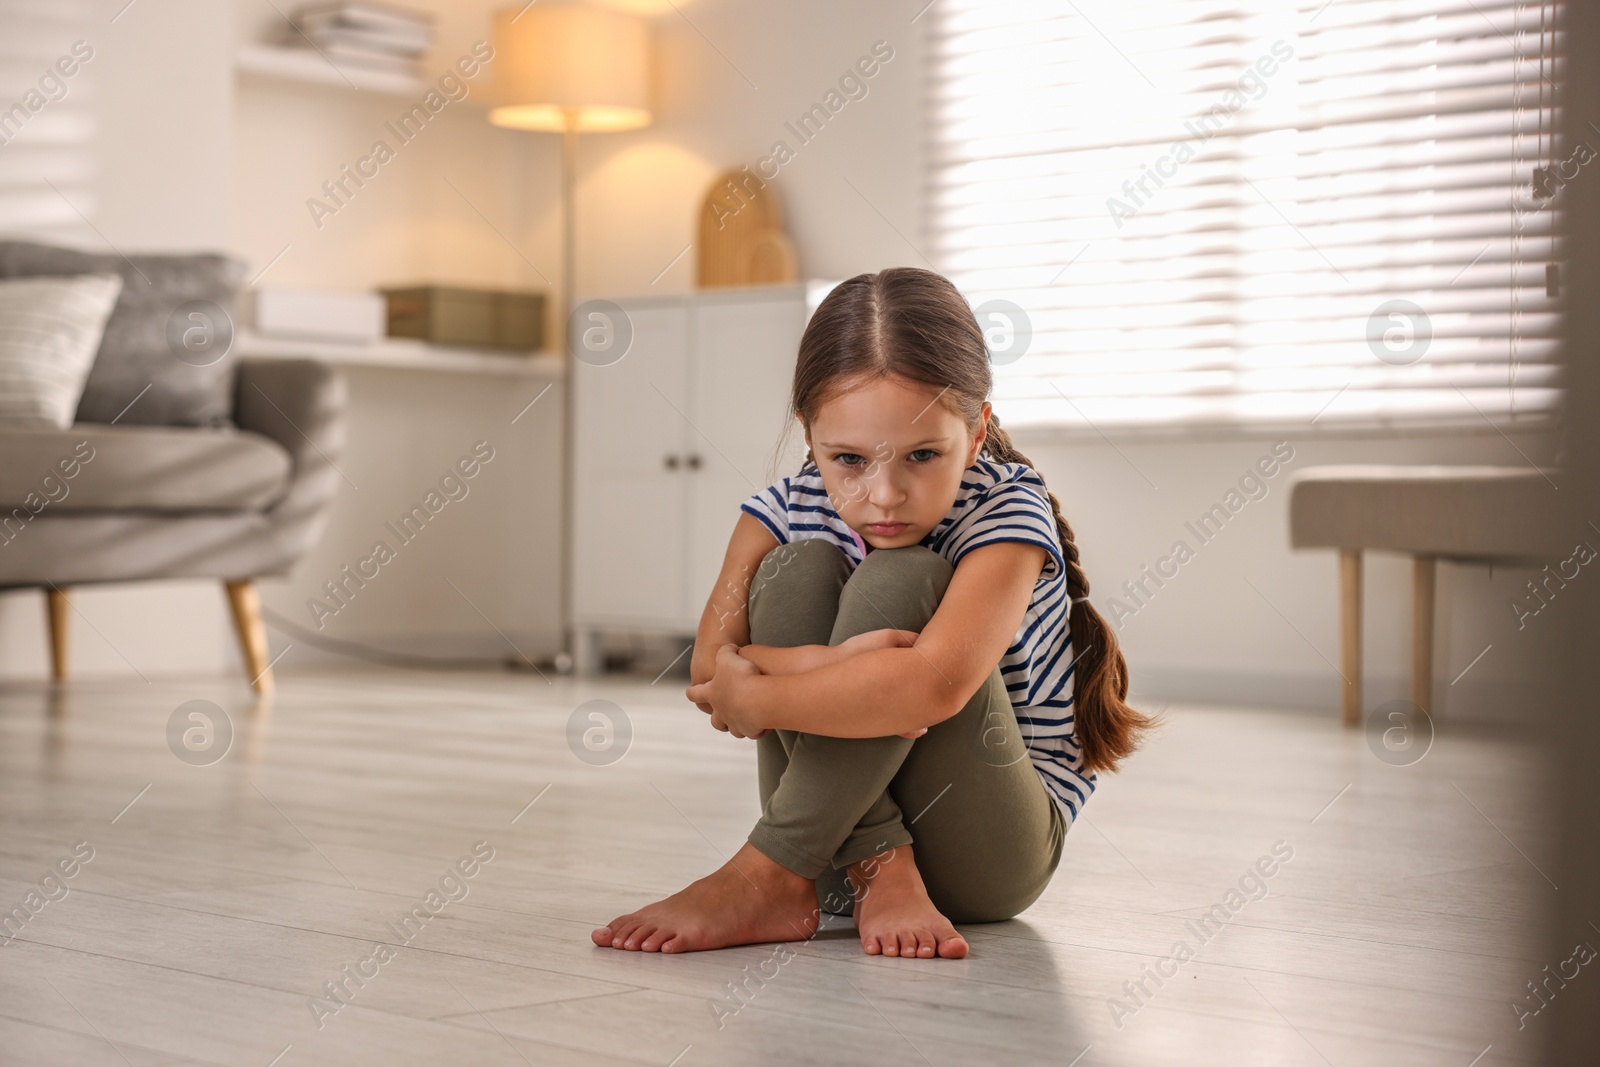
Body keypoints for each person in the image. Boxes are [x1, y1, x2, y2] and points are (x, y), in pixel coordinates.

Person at [591, 267, 1151, 959]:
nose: (883, 495)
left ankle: (764, 869)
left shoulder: (1008, 515)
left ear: (975, 435)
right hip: (832, 859)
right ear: (810, 432)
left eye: (922, 455)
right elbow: (711, 666)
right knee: (795, 573)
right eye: (848, 459)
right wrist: (829, 665)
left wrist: (767, 687)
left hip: (987, 856)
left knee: (906, 577)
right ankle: (864, 867)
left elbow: (932, 685)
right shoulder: (787, 506)